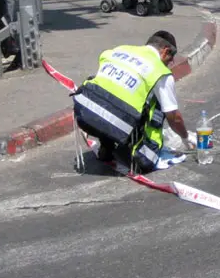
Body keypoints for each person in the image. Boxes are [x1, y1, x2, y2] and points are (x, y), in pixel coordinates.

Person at [72, 31, 194, 173]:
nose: (169, 64)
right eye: (170, 60)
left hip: (85, 114)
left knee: (115, 92)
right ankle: (143, 155)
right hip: (117, 122)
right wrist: (185, 138)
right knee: (157, 104)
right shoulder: (160, 72)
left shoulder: (120, 49)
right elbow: (173, 116)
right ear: (165, 51)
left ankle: (107, 146)